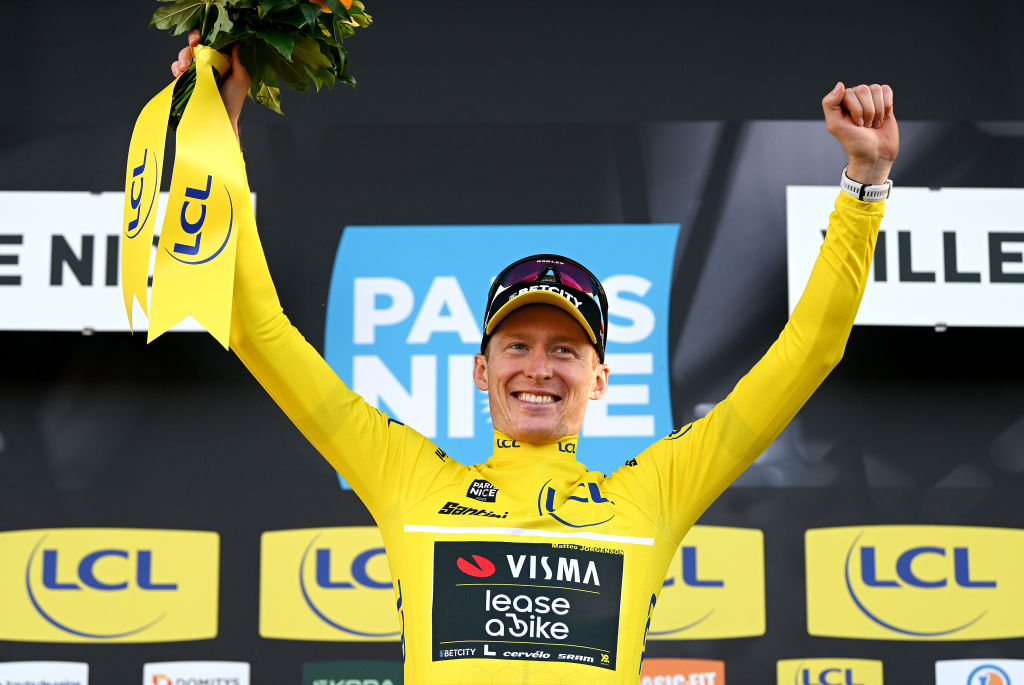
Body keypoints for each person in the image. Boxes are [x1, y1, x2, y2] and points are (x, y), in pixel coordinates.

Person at [172, 31, 897, 685]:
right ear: (481, 369)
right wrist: (214, 138)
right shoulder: (407, 477)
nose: (540, 367)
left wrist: (864, 184)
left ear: (600, 378)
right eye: (517, 344)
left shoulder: (650, 495)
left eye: (566, 349)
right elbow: (257, 328)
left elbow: (810, 351)